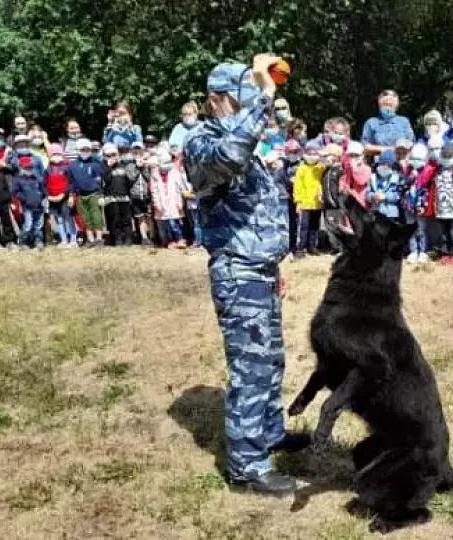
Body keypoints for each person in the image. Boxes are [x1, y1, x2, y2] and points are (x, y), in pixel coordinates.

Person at [182, 55, 308, 495]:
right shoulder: (203, 142)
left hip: (261, 270)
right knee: (250, 367)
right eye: (243, 98)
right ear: (218, 99)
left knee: (270, 360)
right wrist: (264, 102)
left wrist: (276, 263)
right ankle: (247, 465)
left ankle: (268, 433)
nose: (252, 105)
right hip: (238, 270)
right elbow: (229, 156)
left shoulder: (246, 140)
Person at [418, 142, 453, 265]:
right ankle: (445, 252)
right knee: (443, 231)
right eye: (444, 156)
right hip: (441, 207)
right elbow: (425, 182)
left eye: (449, 156)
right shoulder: (436, 170)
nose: (446, 159)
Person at [66, 138, 106, 247]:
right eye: (82, 149)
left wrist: (101, 194)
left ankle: (99, 239)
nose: (85, 151)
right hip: (80, 195)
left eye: (87, 149)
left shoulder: (96, 163)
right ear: (78, 150)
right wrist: (70, 195)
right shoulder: (72, 165)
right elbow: (71, 182)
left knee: (96, 216)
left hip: (94, 194)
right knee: (85, 218)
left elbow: (102, 180)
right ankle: (90, 239)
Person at [293, 141, 325, 256]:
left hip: (317, 203)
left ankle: (312, 246)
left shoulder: (321, 168)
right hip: (305, 203)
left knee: (314, 226)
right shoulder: (301, 168)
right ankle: (300, 248)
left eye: (315, 153)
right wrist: (298, 201)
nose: (312, 156)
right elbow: (297, 186)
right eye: (309, 153)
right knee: (303, 226)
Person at [150, 151, 188, 248]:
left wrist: (180, 202)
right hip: (161, 202)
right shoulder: (155, 174)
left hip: (173, 201)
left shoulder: (175, 172)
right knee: (165, 224)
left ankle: (180, 239)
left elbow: (180, 188)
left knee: (174, 222)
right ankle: (170, 241)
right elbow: (154, 191)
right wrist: (157, 203)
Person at [360, 90, 415, 155]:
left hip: (402, 160)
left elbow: (411, 142)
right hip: (379, 162)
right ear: (379, 104)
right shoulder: (371, 122)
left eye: (390, 105)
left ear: (397, 106)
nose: (388, 108)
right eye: (385, 104)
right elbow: (365, 145)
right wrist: (388, 149)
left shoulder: (404, 121)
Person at [102, 143, 135, 246]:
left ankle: (128, 238)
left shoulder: (124, 166)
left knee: (126, 219)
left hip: (124, 197)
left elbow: (129, 181)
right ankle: (117, 239)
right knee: (114, 219)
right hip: (111, 198)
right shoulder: (103, 167)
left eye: (114, 154)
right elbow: (105, 181)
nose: (112, 157)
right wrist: (108, 167)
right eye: (109, 155)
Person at [274, 140, 302, 254]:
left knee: (294, 224)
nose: (292, 153)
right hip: (284, 198)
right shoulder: (281, 164)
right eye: (290, 151)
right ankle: (283, 248)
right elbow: (278, 179)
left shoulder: (301, 163)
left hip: (296, 197)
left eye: (295, 151)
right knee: (283, 224)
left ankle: (293, 247)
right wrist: (290, 182)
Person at [46, 144, 77, 247]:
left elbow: (71, 183)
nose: (56, 156)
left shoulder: (68, 166)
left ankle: (73, 239)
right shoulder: (48, 168)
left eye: (58, 153)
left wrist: (66, 195)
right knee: (59, 220)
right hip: (52, 199)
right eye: (53, 154)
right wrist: (48, 196)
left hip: (65, 198)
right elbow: (44, 183)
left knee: (69, 219)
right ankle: (63, 240)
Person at [13, 156, 46, 249]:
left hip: (38, 206)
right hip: (27, 207)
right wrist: (25, 199)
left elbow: (43, 190)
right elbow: (16, 192)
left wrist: (42, 198)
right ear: (21, 168)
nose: (29, 169)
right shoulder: (18, 179)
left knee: (38, 225)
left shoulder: (37, 178)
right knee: (28, 224)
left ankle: (38, 240)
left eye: (30, 167)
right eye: (26, 168)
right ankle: (23, 241)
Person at [405, 143, 430, 263]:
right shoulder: (407, 171)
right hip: (409, 206)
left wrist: (424, 206)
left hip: (420, 206)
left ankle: (423, 251)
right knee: (411, 229)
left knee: (421, 229)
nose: (415, 162)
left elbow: (427, 192)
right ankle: (413, 251)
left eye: (419, 159)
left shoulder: (426, 173)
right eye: (413, 159)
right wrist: (410, 178)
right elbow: (402, 186)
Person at [319, 143, 346, 254]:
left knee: (339, 225)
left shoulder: (340, 170)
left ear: (335, 156)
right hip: (327, 204)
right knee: (329, 226)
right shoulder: (326, 171)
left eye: (327, 156)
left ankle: (342, 247)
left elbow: (343, 186)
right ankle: (334, 247)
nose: (324, 159)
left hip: (338, 205)